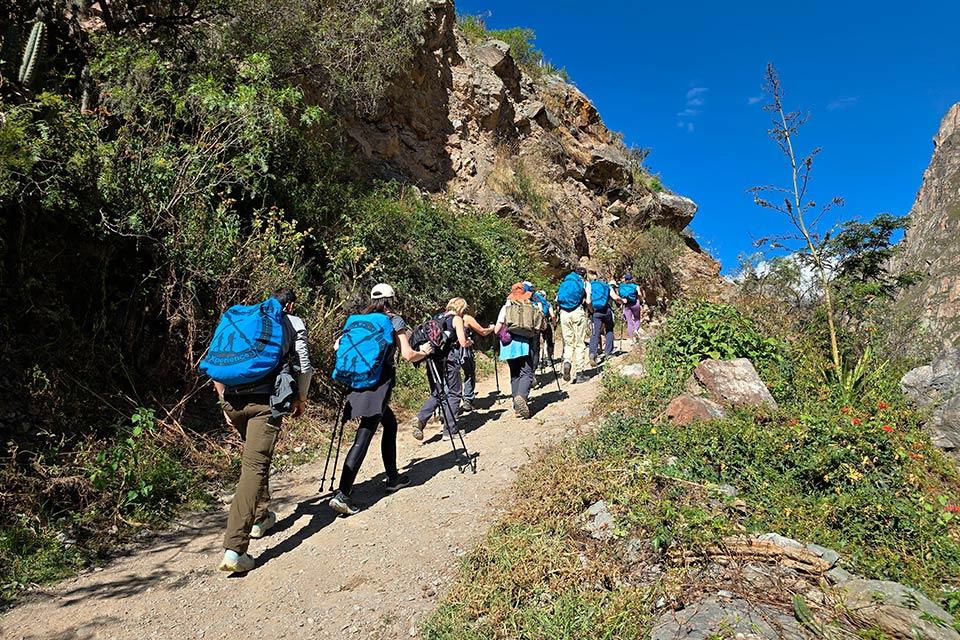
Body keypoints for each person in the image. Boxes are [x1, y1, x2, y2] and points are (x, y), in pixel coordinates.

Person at [214, 287, 314, 573]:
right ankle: (235, 549)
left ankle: (261, 516)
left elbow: (218, 362)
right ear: (291, 304)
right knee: (254, 468)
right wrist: (301, 398)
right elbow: (304, 367)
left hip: (233, 399)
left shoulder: (242, 317)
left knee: (256, 459)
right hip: (264, 403)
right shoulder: (292, 322)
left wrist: (224, 403)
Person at [329, 284, 433, 516]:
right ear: (391, 300)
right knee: (365, 433)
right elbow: (407, 354)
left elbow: (338, 346)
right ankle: (343, 494)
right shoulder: (394, 320)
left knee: (390, 423)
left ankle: (393, 477)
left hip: (357, 379)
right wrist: (424, 352)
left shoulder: (357, 320)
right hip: (379, 382)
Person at [411, 297, 472, 439]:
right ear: (461, 308)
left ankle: (421, 418)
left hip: (432, 359)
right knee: (455, 392)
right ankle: (450, 431)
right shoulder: (456, 319)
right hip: (448, 359)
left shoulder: (437, 317)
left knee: (437, 391)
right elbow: (462, 342)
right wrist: (470, 342)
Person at [493, 282, 540, 418]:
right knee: (527, 372)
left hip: (508, 345)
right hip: (525, 343)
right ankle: (522, 397)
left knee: (515, 374)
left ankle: (517, 407)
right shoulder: (531, 305)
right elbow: (540, 326)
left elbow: (497, 329)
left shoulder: (505, 308)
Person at [556, 266, 590, 384]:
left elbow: (558, 301)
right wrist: (590, 311)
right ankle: (580, 373)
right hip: (578, 312)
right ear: (584, 274)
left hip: (564, 314)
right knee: (580, 343)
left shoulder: (565, 282)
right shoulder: (584, 283)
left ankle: (567, 362)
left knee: (568, 342)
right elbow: (589, 301)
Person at [461, 309, 495, 412]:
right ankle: (467, 399)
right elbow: (483, 332)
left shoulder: (446, 317)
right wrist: (491, 328)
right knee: (469, 373)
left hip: (448, 352)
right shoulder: (466, 318)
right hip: (464, 350)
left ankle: (447, 405)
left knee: (450, 377)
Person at [588, 269, 620, 366]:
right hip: (607, 311)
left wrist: (591, 310)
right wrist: (622, 301)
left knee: (595, 333)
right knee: (609, 330)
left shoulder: (589, 286)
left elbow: (587, 301)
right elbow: (615, 298)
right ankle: (608, 352)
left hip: (596, 312)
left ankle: (593, 353)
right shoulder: (607, 286)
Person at [619, 273, 643, 344]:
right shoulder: (636, 286)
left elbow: (620, 295)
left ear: (625, 279)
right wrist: (641, 300)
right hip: (635, 303)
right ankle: (636, 330)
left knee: (629, 321)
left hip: (626, 305)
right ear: (632, 279)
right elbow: (639, 294)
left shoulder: (621, 286)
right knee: (637, 318)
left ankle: (631, 339)